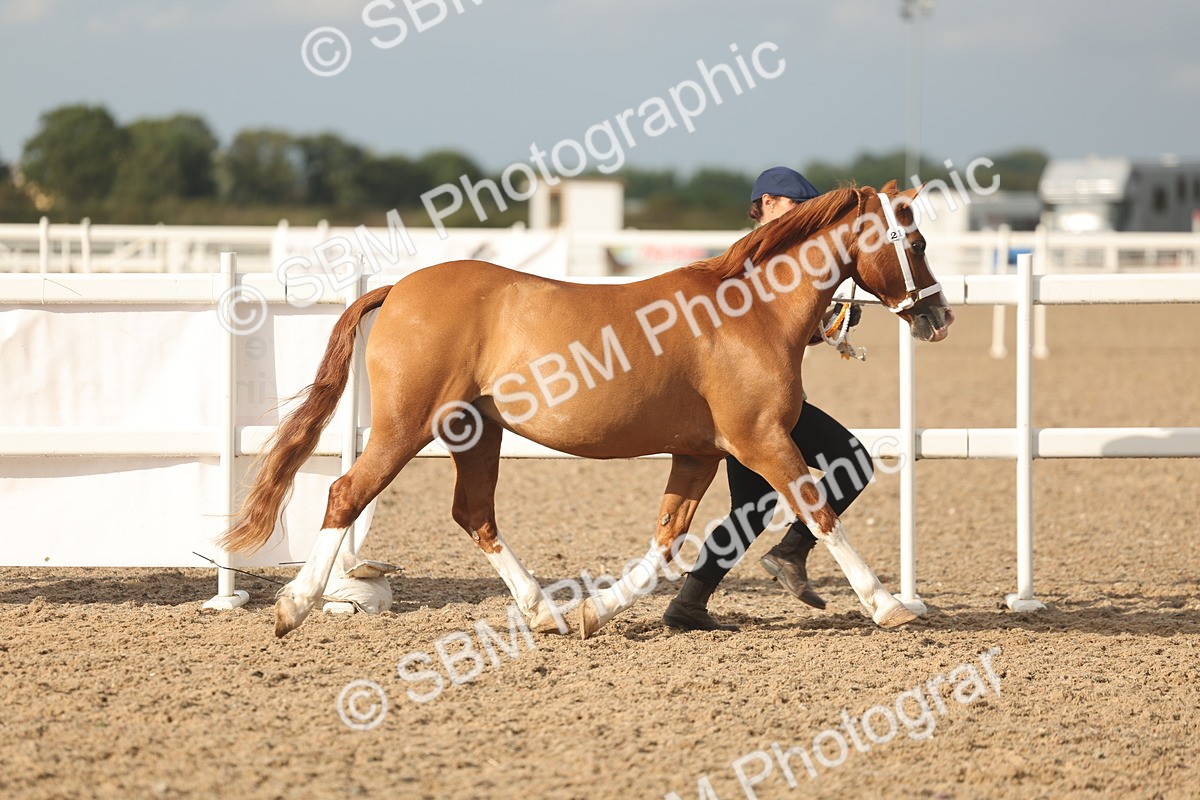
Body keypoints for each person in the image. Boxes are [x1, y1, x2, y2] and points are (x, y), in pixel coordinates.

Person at [662, 166, 873, 631]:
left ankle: (689, 604)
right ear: (771, 204)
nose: (808, 222)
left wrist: (826, 328)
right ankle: (792, 550)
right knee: (853, 461)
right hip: (750, 405)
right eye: (801, 210)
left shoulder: (767, 261)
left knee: (753, 507)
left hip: (751, 402)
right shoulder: (753, 262)